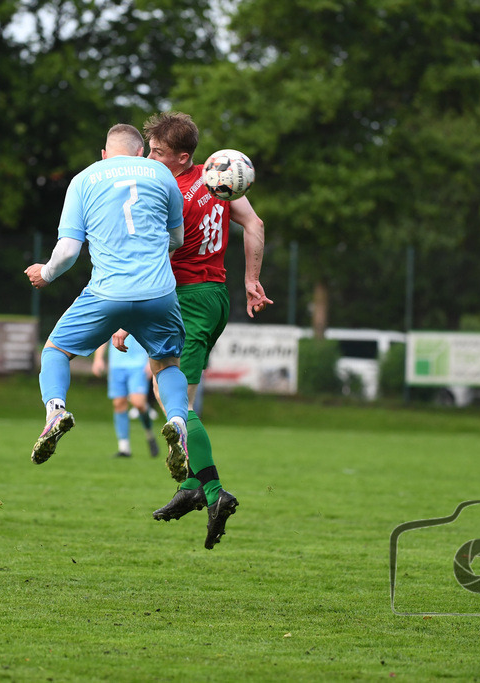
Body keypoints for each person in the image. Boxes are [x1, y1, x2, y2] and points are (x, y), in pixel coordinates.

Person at [23, 123, 191, 487]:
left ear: (104, 154)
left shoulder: (85, 178)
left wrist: (46, 274)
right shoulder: (161, 173)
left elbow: (68, 251)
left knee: (54, 351)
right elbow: (175, 238)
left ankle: (55, 411)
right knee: (166, 365)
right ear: (140, 152)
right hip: (159, 292)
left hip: (106, 293)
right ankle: (178, 422)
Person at [138, 110, 274, 549]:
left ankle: (213, 492)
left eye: (157, 153)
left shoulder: (168, 192)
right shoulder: (218, 174)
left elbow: (153, 256)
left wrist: (125, 316)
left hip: (188, 301)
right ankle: (194, 486)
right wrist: (251, 280)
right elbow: (255, 224)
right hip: (216, 297)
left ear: (181, 157)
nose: (149, 158)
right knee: (164, 387)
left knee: (177, 402)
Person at [92, 334, 160, 459]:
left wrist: (151, 361)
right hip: (116, 365)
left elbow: (151, 335)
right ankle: (124, 448)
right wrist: (98, 359)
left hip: (138, 364)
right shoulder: (112, 315)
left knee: (138, 403)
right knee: (118, 403)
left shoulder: (141, 314)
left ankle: (149, 434)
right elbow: (103, 334)